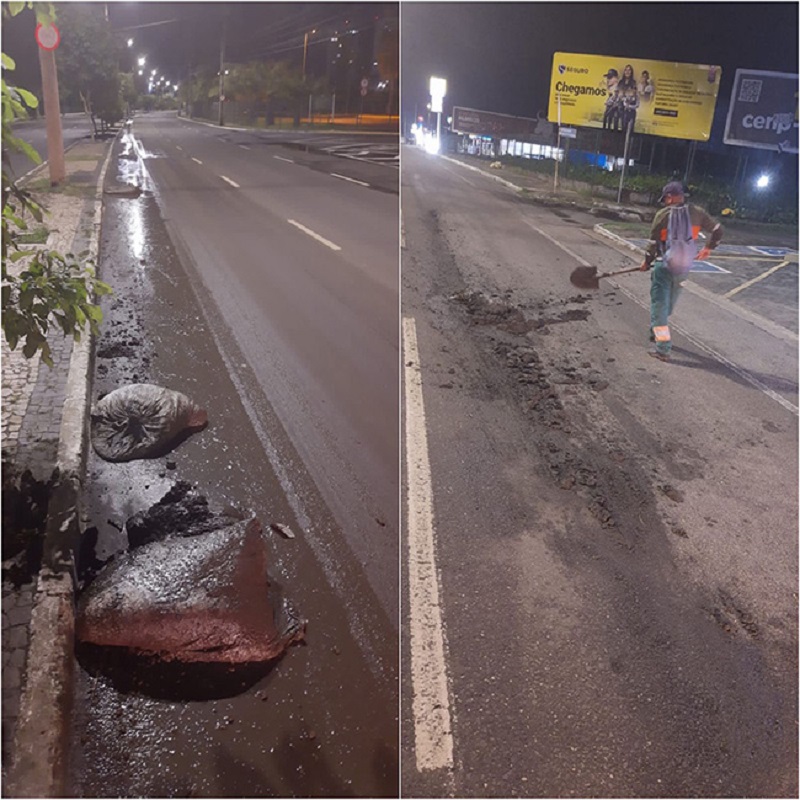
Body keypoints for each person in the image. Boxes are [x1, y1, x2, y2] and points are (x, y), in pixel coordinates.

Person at [639, 181, 723, 362]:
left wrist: (646, 262)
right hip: (684, 268)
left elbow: (653, 245)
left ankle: (662, 348)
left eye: (666, 198)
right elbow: (718, 230)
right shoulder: (698, 213)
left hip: (664, 267)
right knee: (667, 306)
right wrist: (708, 248)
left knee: (659, 308)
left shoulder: (663, 215)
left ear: (669, 197)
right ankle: (656, 331)